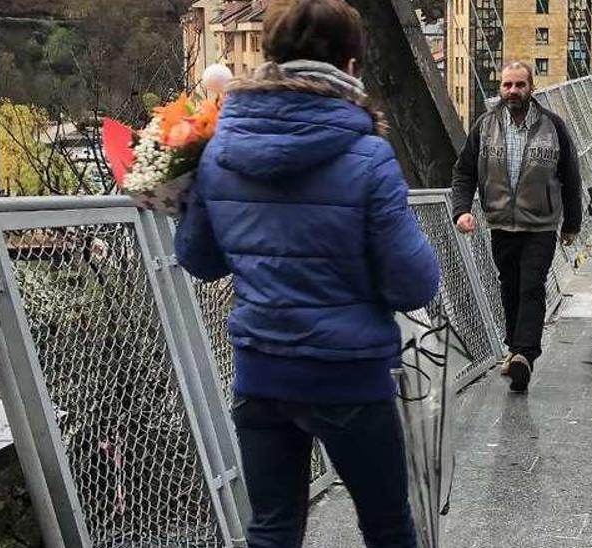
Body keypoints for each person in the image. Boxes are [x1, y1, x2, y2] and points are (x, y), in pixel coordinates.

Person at [174, 0, 440, 546]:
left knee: (272, 530)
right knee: (387, 525)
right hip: (349, 377)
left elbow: (200, 261)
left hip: (261, 371)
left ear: (268, 56)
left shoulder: (218, 149)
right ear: (351, 66)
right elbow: (413, 284)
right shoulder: (369, 156)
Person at [451, 61, 583, 393]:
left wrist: (572, 224)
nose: (512, 91)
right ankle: (515, 349)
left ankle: (525, 354)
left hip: (540, 224)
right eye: (507, 85)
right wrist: (461, 210)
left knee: (531, 284)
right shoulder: (485, 126)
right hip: (500, 223)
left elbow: (570, 176)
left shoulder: (553, 127)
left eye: (519, 85)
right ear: (501, 88)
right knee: (509, 286)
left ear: (531, 88)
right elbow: (464, 171)